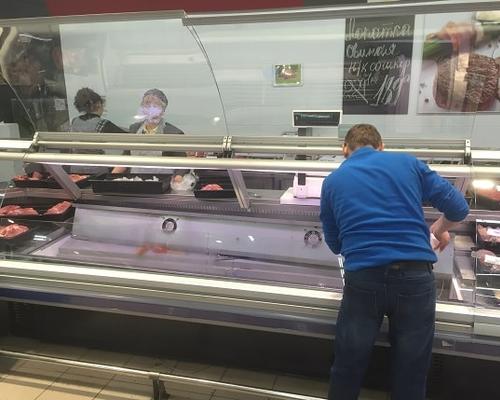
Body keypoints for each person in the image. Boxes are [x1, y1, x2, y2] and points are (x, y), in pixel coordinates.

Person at [320, 124, 469, 400]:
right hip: (415, 280)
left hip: (363, 281)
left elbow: (335, 244)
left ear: (345, 149)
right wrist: (437, 229)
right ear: (381, 146)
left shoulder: (332, 181)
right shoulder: (408, 163)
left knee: (347, 366)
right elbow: (459, 208)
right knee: (411, 372)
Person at [113, 88, 187, 179]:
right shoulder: (134, 128)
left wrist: (178, 178)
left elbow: (182, 164)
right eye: (147, 104)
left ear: (162, 110)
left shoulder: (173, 133)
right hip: (135, 179)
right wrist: (112, 177)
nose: (150, 109)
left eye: (155, 105)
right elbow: (126, 157)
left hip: (162, 181)